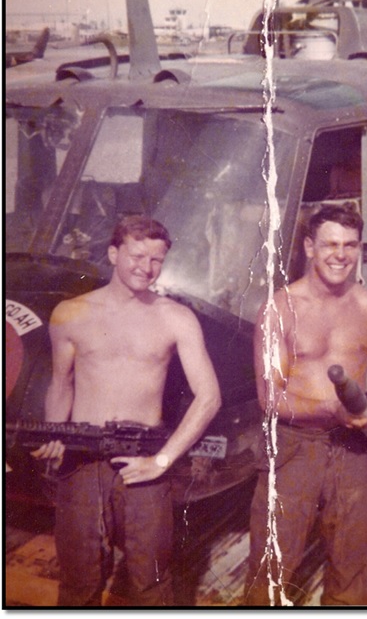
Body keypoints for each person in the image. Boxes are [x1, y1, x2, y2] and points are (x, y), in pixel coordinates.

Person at [32, 214, 221, 606]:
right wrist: (55, 435)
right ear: (113, 253)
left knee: (151, 581)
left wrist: (163, 460)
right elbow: (60, 385)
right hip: (82, 462)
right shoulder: (70, 313)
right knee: (78, 582)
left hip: (143, 462)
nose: (146, 268)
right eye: (137, 256)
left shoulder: (176, 317)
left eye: (156, 260)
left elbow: (209, 397)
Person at [244, 204, 367, 606]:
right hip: (295, 448)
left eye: (350, 245)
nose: (340, 255)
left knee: (351, 566)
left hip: (354, 448)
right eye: (330, 244)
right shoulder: (279, 309)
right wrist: (330, 411)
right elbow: (270, 399)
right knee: (271, 568)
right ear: (310, 247)